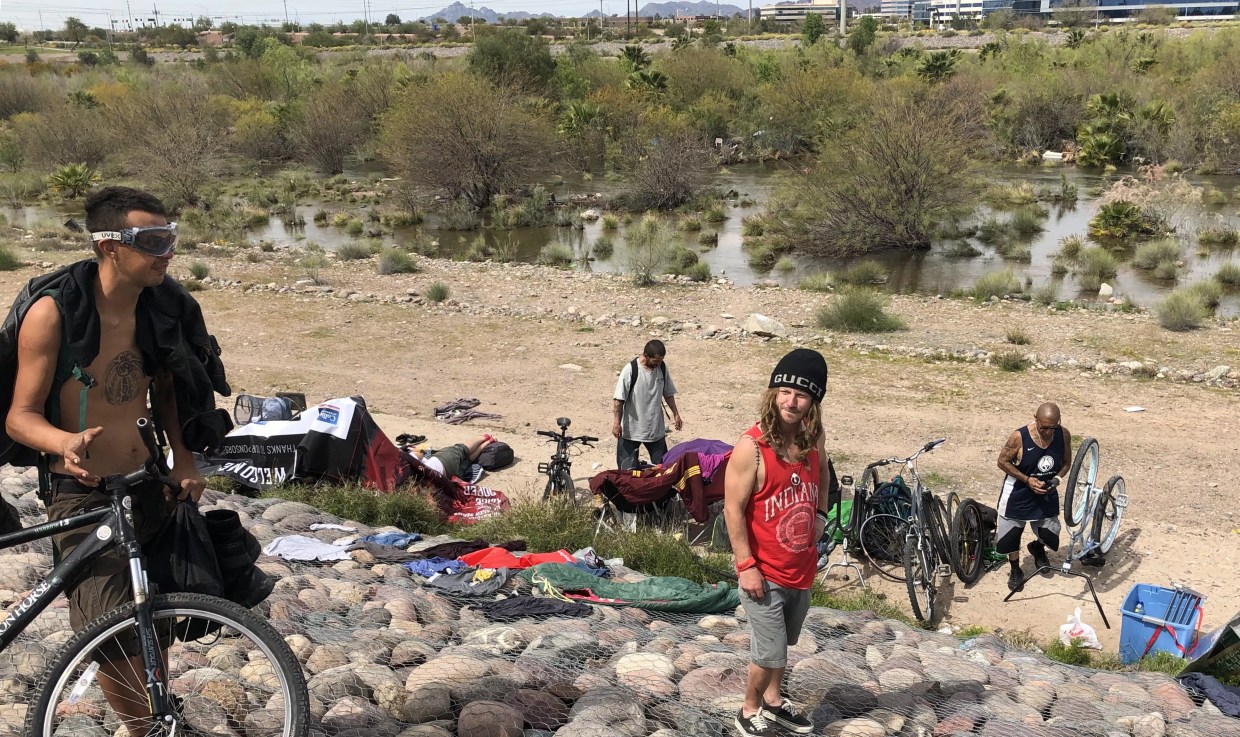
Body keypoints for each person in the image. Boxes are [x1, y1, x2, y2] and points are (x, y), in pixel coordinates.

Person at [6, 186, 225, 736]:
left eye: (170, 238)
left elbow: (170, 390)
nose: (166, 252)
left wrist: (183, 460)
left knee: (154, 621)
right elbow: (19, 416)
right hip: (82, 492)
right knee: (110, 628)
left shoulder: (163, 307)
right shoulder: (54, 313)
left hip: (150, 483)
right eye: (152, 241)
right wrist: (61, 442)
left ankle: (159, 723)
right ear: (109, 246)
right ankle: (145, 730)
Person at [723, 348, 831, 737]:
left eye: (801, 395)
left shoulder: (813, 437)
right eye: (785, 391)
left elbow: (825, 478)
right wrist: (745, 566)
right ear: (773, 394)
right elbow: (732, 510)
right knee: (769, 650)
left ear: (812, 402)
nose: (791, 401)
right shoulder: (750, 447)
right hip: (762, 571)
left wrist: (821, 515)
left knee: (785, 642)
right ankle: (747, 710)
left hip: (799, 566)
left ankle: (773, 702)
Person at [996, 402, 1073, 592]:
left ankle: (1038, 547)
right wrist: (1026, 479)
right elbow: (1002, 461)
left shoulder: (1063, 435)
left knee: (1051, 537)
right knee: (1009, 538)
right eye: (1043, 427)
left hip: (1045, 492)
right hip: (1019, 493)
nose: (1047, 432)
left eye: (1052, 427)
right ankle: (1015, 569)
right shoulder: (1019, 437)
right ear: (1035, 418)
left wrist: (1056, 480)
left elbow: (1066, 462)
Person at [612, 340, 682, 470]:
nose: (658, 364)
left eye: (661, 361)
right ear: (645, 355)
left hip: (655, 430)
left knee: (663, 469)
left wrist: (676, 414)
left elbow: (668, 394)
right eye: (656, 361)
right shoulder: (630, 370)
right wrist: (616, 424)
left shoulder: (661, 368)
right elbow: (618, 400)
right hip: (631, 431)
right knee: (626, 472)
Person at [421, 433, 495, 482]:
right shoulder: (410, 464)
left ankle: (488, 442)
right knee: (462, 449)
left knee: (468, 460)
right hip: (442, 461)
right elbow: (419, 455)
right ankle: (485, 437)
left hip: (448, 477)